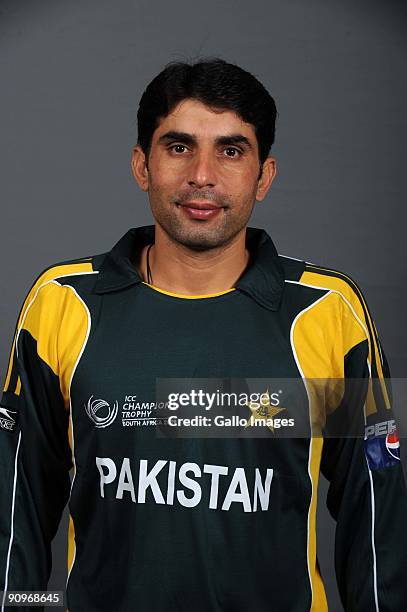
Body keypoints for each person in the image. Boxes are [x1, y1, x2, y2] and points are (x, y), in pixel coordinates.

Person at [0, 58, 406, 612]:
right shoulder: (61, 303)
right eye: (179, 146)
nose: (203, 175)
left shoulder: (332, 312)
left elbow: (382, 515)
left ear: (264, 176)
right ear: (142, 165)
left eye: (232, 150)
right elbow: (13, 514)